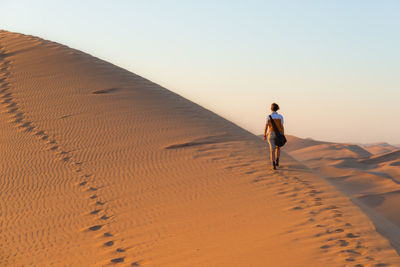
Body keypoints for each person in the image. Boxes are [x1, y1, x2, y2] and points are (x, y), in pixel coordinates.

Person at [264, 103, 284, 170]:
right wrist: (282, 134)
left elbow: (266, 127)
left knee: (272, 150)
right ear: (277, 109)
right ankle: (277, 161)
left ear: (271, 108)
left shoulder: (268, 117)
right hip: (279, 134)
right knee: (278, 147)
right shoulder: (280, 116)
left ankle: (273, 165)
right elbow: (282, 126)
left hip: (271, 133)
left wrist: (264, 135)